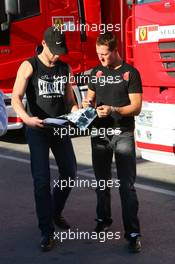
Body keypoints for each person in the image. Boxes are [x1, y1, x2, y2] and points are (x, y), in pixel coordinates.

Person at [12, 26, 78, 252]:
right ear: (44, 43)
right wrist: (26, 119)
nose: (58, 54)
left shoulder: (64, 68)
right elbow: (16, 98)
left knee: (70, 173)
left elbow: (70, 100)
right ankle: (46, 232)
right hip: (37, 129)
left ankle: (55, 211)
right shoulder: (29, 66)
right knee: (41, 181)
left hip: (59, 128)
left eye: (61, 50)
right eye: (54, 50)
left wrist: (78, 111)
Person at [82, 31, 142, 253]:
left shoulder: (130, 73)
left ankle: (133, 233)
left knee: (126, 186)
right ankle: (103, 219)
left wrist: (114, 109)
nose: (102, 59)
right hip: (99, 134)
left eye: (105, 54)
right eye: (98, 54)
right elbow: (90, 97)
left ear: (116, 50)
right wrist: (86, 106)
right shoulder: (96, 72)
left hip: (123, 133)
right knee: (101, 182)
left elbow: (136, 107)